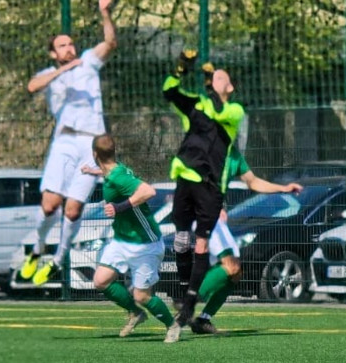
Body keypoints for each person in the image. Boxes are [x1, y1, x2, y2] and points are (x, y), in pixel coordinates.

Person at [21, 0, 117, 286]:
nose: (69, 49)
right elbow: (32, 86)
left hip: (91, 143)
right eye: (62, 46)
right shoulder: (51, 73)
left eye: (71, 44)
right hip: (64, 140)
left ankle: (58, 260)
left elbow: (110, 43)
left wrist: (104, 12)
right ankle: (37, 250)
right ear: (53, 53)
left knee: (73, 209)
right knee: (50, 205)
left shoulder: (88, 61)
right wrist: (64, 70)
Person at [162, 50, 244, 343]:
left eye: (221, 77)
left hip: (209, 190)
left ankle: (191, 306)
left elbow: (218, 111)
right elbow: (170, 91)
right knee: (184, 240)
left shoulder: (233, 112)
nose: (215, 78)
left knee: (222, 259)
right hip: (186, 179)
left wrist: (210, 86)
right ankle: (186, 298)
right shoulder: (196, 107)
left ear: (229, 87)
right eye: (213, 75)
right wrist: (182, 67)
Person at [185, 144, 303, 336]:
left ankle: (203, 319)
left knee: (235, 273)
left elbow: (253, 182)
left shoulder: (233, 156)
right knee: (232, 266)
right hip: (200, 213)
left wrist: (283, 188)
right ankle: (186, 305)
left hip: (210, 214)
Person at [79, 134, 178, 340]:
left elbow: (148, 191)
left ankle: (172, 325)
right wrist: (92, 171)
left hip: (144, 243)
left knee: (142, 295)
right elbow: (112, 176)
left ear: (94, 153)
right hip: (122, 240)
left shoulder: (118, 177)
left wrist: (119, 207)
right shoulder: (113, 170)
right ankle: (136, 313)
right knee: (101, 281)